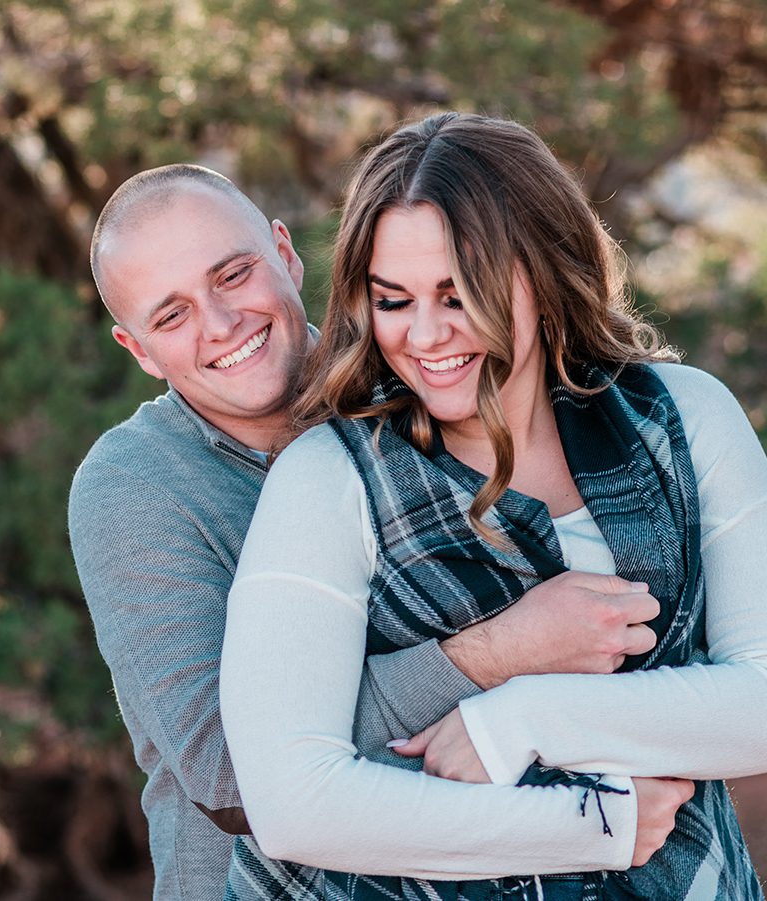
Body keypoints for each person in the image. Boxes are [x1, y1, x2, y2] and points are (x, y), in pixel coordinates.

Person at [220, 113, 767, 899]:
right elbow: (292, 801)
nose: (427, 336)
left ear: (541, 270)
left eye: (460, 292)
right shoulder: (329, 479)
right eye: (394, 300)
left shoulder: (682, 417)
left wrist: (519, 719)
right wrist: (592, 826)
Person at [69, 164, 695, 899]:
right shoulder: (135, 487)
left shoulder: (421, 381)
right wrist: (495, 656)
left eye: (233, 275)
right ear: (138, 349)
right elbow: (232, 771)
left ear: (285, 251)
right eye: (170, 316)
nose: (219, 322)